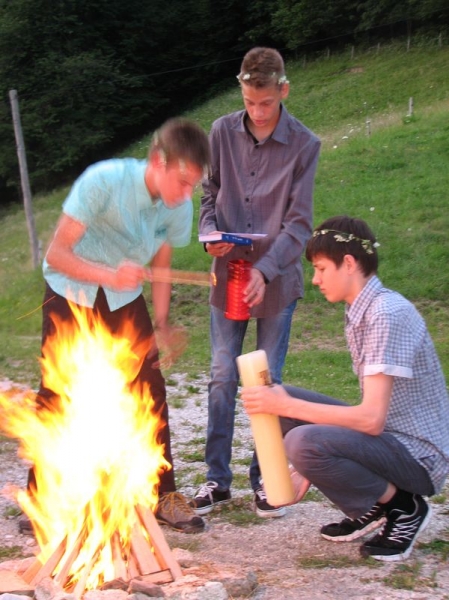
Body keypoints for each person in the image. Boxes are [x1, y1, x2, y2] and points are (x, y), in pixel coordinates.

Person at [25, 117, 211, 535]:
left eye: (193, 185)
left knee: (150, 386)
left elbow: (161, 269)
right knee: (57, 391)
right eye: (182, 181)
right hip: (70, 291)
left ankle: (163, 494)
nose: (186, 194)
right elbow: (57, 254)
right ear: (159, 161)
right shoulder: (103, 181)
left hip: (124, 300)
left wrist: (161, 323)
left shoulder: (179, 206)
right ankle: (40, 497)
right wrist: (110, 275)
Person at [241, 215, 449, 561]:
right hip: (392, 439)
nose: (315, 279)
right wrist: (299, 468)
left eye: (321, 268)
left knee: (300, 436)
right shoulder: (362, 309)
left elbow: (371, 420)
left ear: (349, 263)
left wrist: (288, 417)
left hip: (419, 455)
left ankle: (404, 506)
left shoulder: (386, 314)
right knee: (281, 403)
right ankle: (373, 503)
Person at [193, 47, 321, 518]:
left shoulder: (305, 144)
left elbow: (299, 224)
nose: (258, 112)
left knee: (267, 380)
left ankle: (264, 475)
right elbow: (210, 194)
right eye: (250, 102)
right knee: (222, 375)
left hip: (277, 280)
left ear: (283, 90)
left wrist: (265, 271)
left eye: (266, 102)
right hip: (228, 274)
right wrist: (210, 234)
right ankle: (216, 479)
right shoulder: (220, 131)